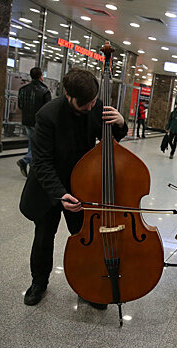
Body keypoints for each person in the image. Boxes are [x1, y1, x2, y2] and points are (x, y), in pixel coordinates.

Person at [19, 69, 128, 307]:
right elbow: (42, 164)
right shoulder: (47, 115)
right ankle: (39, 282)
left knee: (83, 239)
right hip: (49, 189)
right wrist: (60, 194)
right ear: (68, 95)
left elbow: (110, 142)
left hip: (81, 186)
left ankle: (86, 285)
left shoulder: (95, 106)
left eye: (93, 102)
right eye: (85, 104)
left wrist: (121, 124)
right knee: (44, 237)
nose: (90, 108)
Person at [16, 67, 51, 177]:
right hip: (38, 122)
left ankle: (32, 168)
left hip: (26, 121)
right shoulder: (45, 91)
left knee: (31, 143)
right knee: (39, 145)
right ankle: (25, 160)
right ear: (41, 76)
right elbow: (48, 109)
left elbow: (20, 105)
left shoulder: (23, 89)